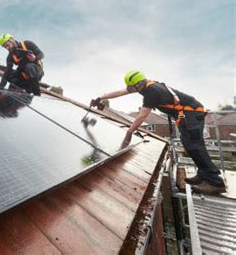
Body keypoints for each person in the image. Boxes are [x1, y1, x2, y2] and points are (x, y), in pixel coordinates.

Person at [90, 70, 226, 195]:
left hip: (192, 114)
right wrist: (100, 97)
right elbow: (120, 92)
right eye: (130, 87)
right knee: (190, 146)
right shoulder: (143, 85)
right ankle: (203, 175)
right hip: (187, 115)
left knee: (195, 146)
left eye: (132, 87)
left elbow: (142, 116)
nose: (131, 90)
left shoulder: (151, 92)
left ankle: (215, 183)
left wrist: (130, 132)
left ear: (140, 83)